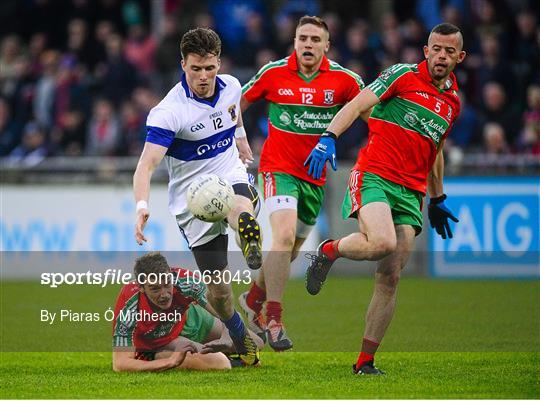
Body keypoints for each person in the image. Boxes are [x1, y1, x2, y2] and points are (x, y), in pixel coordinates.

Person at [304, 23, 465, 374]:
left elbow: (434, 150)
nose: (441, 56)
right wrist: (328, 136)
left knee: (390, 276)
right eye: (436, 48)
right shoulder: (402, 75)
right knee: (381, 242)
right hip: (375, 174)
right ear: (426, 50)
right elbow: (358, 103)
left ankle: (365, 362)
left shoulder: (452, 103)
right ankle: (328, 250)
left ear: (460, 57)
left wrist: (437, 198)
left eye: (449, 51)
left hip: (412, 191)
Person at [133, 28, 262, 365]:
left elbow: (234, 116)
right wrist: (142, 206)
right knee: (219, 293)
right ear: (183, 65)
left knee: (238, 205)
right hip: (192, 204)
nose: (203, 77)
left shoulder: (232, 86)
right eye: (195, 69)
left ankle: (245, 227)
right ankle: (237, 333)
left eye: (209, 68)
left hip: (230, 175)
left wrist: (242, 139)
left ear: (219, 63)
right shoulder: (169, 112)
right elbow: (146, 165)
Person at [239, 15, 366, 351]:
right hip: (277, 169)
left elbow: (372, 115)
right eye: (302, 38)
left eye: (314, 39)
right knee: (281, 236)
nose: (307, 44)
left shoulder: (344, 80)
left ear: (326, 45)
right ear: (294, 42)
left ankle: (253, 299)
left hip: (314, 177)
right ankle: (274, 318)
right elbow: (235, 103)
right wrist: (237, 138)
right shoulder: (273, 72)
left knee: (291, 250)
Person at [112, 252, 264, 372]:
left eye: (167, 285)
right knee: (220, 362)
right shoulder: (129, 305)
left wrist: (227, 336)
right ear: (141, 287)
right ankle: (156, 357)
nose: (164, 294)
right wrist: (168, 362)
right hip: (164, 342)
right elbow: (120, 364)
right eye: (155, 289)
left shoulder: (185, 281)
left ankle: (221, 353)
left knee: (256, 344)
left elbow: (225, 311)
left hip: (192, 319)